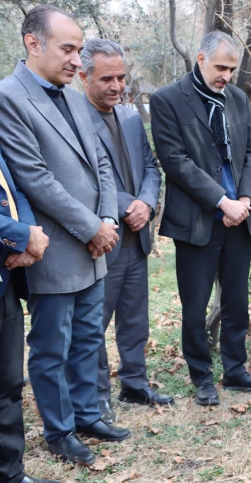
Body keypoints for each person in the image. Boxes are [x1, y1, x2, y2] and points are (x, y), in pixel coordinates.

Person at [0, 4, 130, 466]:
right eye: (68, 49)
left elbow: (103, 163)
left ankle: (89, 413)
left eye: (79, 49)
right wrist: (90, 227)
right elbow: (34, 177)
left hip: (97, 246)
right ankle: (60, 431)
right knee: (53, 346)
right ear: (33, 44)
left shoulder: (73, 95)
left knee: (90, 338)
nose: (78, 60)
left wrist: (107, 222)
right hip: (54, 248)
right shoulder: (8, 97)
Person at [151, 31, 251, 405]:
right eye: (221, 67)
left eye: (232, 69)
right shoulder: (167, 100)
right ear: (200, 59)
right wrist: (222, 202)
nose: (227, 76)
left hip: (240, 219)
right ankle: (201, 376)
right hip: (198, 222)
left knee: (235, 301)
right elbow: (176, 162)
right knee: (194, 305)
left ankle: (235, 371)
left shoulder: (236, 99)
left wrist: (246, 199)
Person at [79, 39, 171, 421]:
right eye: (107, 79)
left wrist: (146, 204)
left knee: (135, 318)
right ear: (83, 76)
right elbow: (81, 179)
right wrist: (125, 205)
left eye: (121, 77)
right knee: (93, 324)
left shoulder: (132, 117)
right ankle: (97, 395)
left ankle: (135, 383)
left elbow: (151, 166)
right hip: (101, 240)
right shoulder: (72, 119)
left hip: (137, 237)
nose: (117, 86)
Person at [0, 135, 66, 483]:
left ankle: (6, 475)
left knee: (6, 384)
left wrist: (26, 232)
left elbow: (11, 189)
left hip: (2, 278)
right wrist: (18, 235)